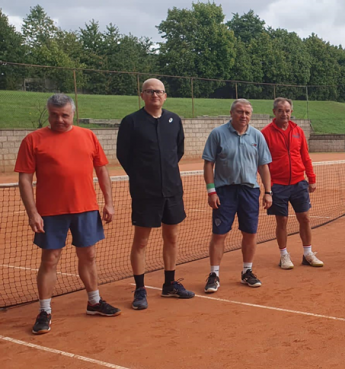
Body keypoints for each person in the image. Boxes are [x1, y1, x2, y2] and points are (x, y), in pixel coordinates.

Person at [16, 94, 121, 335]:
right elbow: (24, 178)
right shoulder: (33, 140)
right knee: (50, 260)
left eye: (64, 115)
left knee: (89, 256)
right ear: (49, 113)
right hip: (50, 212)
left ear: (73, 113)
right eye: (54, 115)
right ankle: (45, 310)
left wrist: (109, 202)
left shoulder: (88, 136)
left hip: (85, 208)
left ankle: (94, 302)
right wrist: (32, 213)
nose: (60, 119)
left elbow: (102, 170)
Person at [117, 78, 194, 310]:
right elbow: (124, 155)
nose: (155, 95)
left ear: (165, 95)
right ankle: (140, 289)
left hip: (172, 190)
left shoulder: (174, 120)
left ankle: (169, 284)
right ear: (142, 95)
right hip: (145, 192)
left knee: (171, 237)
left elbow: (177, 151)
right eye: (150, 91)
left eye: (159, 92)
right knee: (141, 241)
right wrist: (143, 177)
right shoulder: (131, 122)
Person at [202, 99, 273, 293]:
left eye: (247, 113)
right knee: (219, 234)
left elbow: (263, 166)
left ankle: (247, 272)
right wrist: (211, 191)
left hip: (249, 191)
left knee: (250, 233)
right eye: (240, 112)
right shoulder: (218, 134)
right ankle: (214, 274)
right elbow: (208, 164)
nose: (244, 116)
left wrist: (268, 192)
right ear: (232, 113)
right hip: (224, 191)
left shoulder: (257, 136)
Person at [261, 98, 324, 269]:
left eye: (287, 110)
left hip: (298, 183)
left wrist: (311, 179)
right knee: (282, 221)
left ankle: (308, 253)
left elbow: (305, 156)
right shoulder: (265, 133)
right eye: (280, 110)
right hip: (277, 185)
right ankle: (284, 255)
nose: (284, 114)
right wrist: (268, 188)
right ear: (274, 112)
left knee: (305, 219)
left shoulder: (298, 131)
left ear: (291, 112)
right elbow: (262, 163)